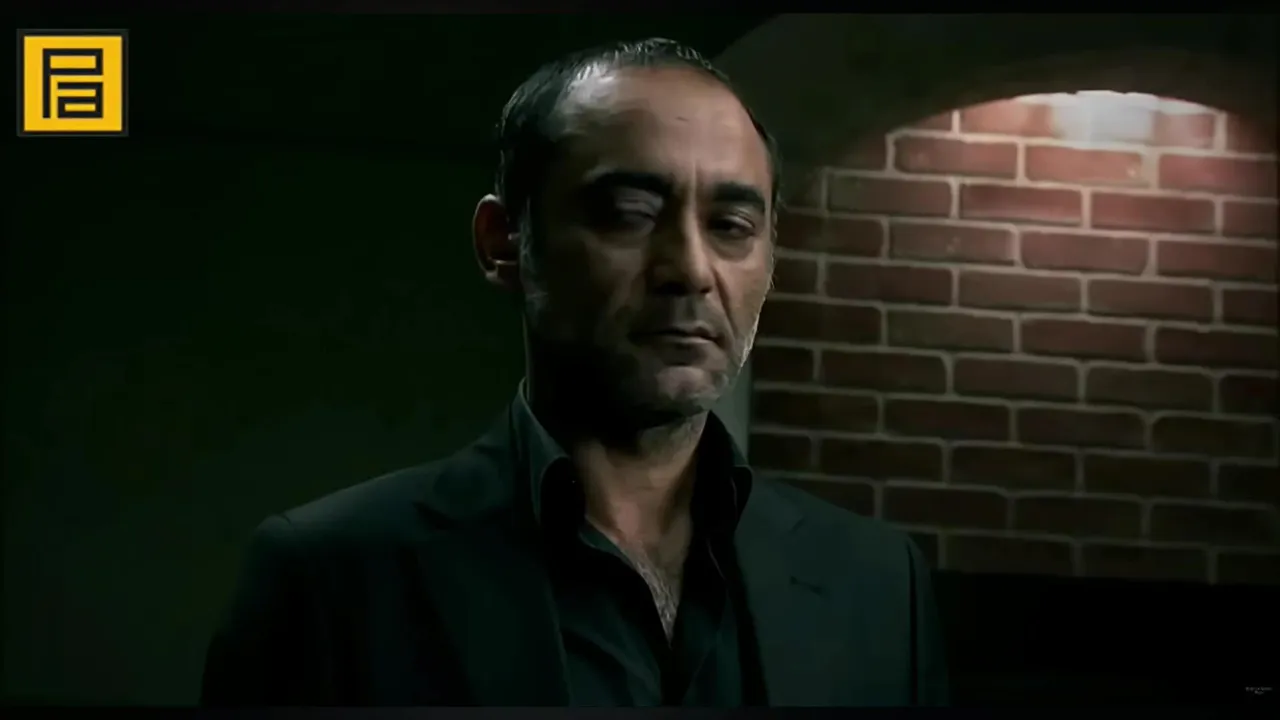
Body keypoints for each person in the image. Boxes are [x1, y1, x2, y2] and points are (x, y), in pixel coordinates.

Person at [201, 37, 948, 707]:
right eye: (629, 213)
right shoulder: (334, 579)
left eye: (731, 226)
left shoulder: (881, 587)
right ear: (504, 242)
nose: (691, 269)